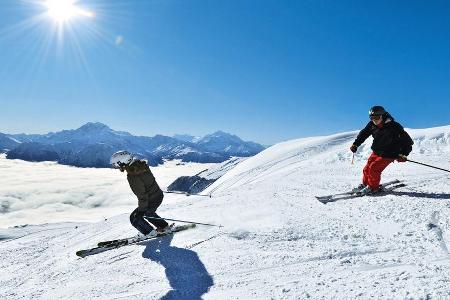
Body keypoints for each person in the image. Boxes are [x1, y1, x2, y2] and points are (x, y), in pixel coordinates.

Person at [350, 106, 414, 195]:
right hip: (377, 151)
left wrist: (403, 154)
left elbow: (408, 142)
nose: (374, 120)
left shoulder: (394, 126)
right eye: (372, 118)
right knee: (367, 168)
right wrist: (356, 144)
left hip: (390, 153)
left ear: (383, 115)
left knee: (374, 168)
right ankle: (366, 185)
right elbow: (363, 134)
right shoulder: (372, 124)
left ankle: (373, 188)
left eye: (376, 117)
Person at [110, 150, 170, 237]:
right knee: (149, 213)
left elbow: (142, 195)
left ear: (123, 162)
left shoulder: (133, 175)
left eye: (116, 164)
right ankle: (164, 227)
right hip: (157, 195)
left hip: (152, 198)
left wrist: (141, 211)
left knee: (134, 218)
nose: (117, 167)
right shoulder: (140, 166)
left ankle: (149, 233)